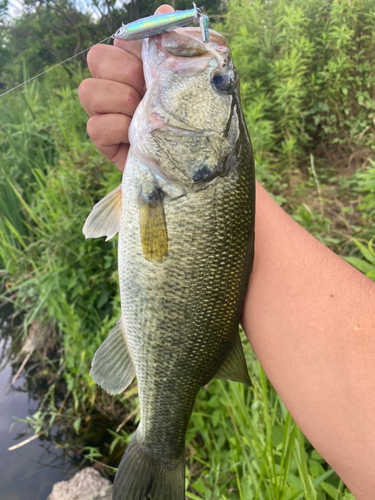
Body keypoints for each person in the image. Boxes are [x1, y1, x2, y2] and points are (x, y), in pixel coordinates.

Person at [78, 5, 375, 498]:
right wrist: (147, 164)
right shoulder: (178, 172)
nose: (219, 76)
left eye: (220, 86)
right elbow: (212, 204)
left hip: (166, 189)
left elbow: (211, 200)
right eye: (223, 83)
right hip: (165, 184)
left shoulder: (180, 175)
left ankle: (158, 445)